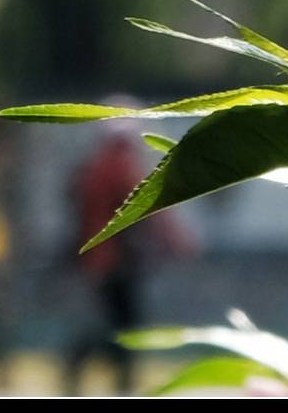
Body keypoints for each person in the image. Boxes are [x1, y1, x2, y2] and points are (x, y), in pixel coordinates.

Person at [66, 112, 192, 392]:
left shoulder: (94, 167)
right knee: (125, 325)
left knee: (116, 320)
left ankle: (92, 366)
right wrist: (177, 242)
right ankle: (116, 380)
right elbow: (149, 207)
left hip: (99, 258)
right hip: (117, 260)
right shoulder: (119, 166)